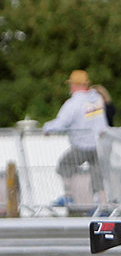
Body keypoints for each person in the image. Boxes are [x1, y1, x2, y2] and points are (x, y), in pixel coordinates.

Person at [42, 69, 110, 205]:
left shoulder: (73, 103)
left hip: (83, 145)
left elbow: (61, 123)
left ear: (75, 85)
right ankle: (101, 201)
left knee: (64, 165)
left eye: (71, 84)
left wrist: (47, 128)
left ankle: (69, 196)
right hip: (100, 144)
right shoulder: (97, 99)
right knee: (97, 172)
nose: (70, 87)